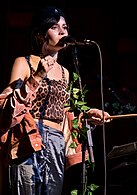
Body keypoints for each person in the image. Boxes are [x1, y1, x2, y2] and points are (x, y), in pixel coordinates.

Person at [0, 6, 111, 195]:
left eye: (65, 27)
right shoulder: (24, 63)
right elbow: (8, 108)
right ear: (40, 35)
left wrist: (85, 116)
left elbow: (61, 112)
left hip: (55, 144)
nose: (62, 31)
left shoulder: (65, 73)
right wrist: (38, 76)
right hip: (28, 142)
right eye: (54, 27)